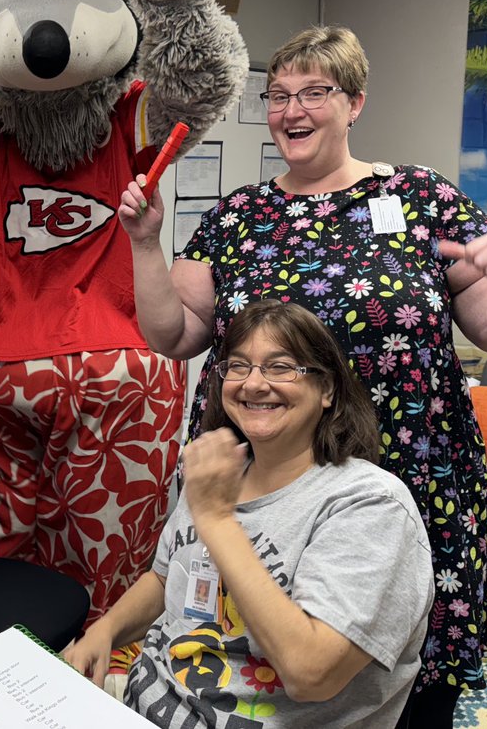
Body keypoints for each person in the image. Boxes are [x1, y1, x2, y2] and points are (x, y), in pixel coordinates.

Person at [120, 25, 487, 727]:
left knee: (399, 680)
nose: (292, 110)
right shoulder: (237, 216)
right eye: (279, 95)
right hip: (264, 482)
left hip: (405, 477)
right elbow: (173, 334)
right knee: (249, 659)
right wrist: (145, 243)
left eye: (315, 93)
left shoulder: (421, 198)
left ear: (354, 104)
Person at [66, 301, 434, 728]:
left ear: (328, 390)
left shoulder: (371, 505)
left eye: (281, 368)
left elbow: (311, 674)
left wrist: (217, 519)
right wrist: (105, 631)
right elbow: (167, 577)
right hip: (138, 704)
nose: (254, 384)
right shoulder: (222, 470)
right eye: (238, 366)